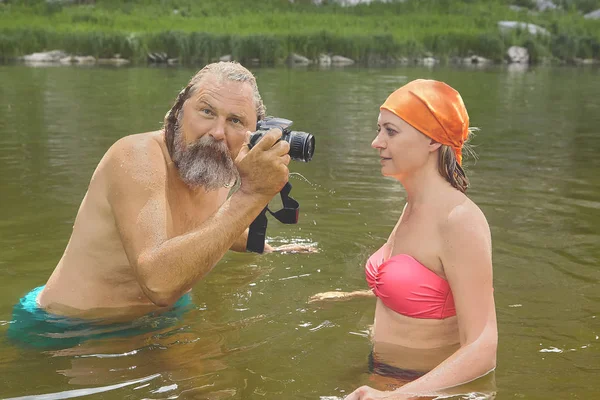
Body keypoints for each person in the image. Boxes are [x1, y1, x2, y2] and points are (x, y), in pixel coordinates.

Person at [14, 61, 309, 328]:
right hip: (70, 325)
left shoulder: (217, 165)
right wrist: (252, 194)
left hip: (162, 319)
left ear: (254, 132)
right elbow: (159, 283)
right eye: (207, 112)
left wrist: (268, 248)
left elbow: (212, 221)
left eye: (235, 121)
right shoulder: (136, 157)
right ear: (180, 111)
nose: (218, 132)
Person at [311, 79, 497, 399]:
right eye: (379, 130)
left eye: (391, 131)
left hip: (423, 388)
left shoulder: (460, 221)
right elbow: (430, 291)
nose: (376, 142)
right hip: (384, 377)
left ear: (432, 140)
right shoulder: (414, 205)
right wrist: (356, 295)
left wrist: (394, 396)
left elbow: (483, 347)